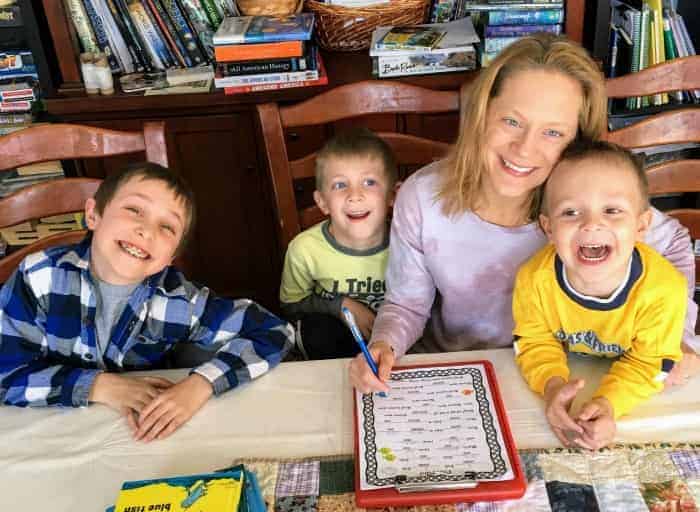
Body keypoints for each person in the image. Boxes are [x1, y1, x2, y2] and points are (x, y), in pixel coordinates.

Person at [349, 33, 698, 401]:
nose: (525, 148)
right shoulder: (421, 197)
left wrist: (679, 337)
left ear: (578, 142)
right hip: (458, 371)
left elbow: (671, 241)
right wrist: (384, 344)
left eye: (553, 132)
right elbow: (406, 303)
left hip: (563, 378)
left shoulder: (584, 210)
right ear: (482, 114)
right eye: (512, 122)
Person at [0, 162, 293, 441]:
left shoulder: (180, 301)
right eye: (134, 210)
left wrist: (200, 385)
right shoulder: (38, 278)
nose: (147, 230)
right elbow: (5, 374)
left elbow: (274, 331)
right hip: (47, 435)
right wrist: (98, 386)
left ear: (172, 257)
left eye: (167, 227)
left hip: (136, 438)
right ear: (94, 215)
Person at [513, 139, 686, 450]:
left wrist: (609, 404)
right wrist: (553, 387)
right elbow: (535, 342)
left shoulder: (664, 291)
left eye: (612, 210)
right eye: (570, 212)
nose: (592, 224)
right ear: (548, 228)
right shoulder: (533, 280)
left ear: (641, 225)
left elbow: (647, 363)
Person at [279, 128, 398, 359]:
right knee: (317, 331)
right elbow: (291, 305)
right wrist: (340, 306)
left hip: (397, 345)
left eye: (369, 182)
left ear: (391, 195)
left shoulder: (409, 242)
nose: (355, 195)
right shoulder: (304, 249)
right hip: (333, 346)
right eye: (340, 185)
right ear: (322, 202)